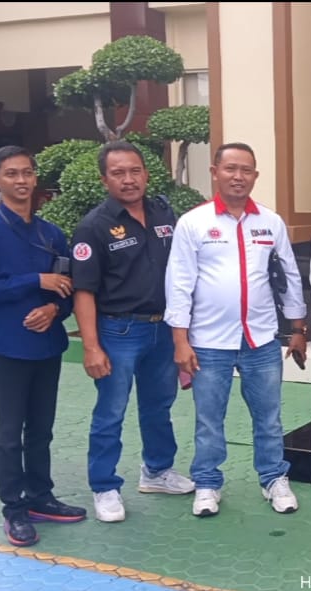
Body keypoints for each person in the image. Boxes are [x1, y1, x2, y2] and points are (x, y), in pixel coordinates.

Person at [165, 142, 307, 517]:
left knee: (269, 417)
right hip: (208, 341)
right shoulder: (193, 223)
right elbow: (179, 283)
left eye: (246, 170)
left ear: (255, 176)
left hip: (260, 339)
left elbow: (289, 275)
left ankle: (273, 478)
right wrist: (180, 340)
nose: (238, 176)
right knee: (209, 420)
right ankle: (207, 483)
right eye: (230, 169)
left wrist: (298, 328)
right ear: (215, 172)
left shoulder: (271, 223)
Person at [0, 146, 87, 547]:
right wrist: (34, 281)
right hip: (8, 347)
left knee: (41, 429)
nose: (22, 180)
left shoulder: (51, 233)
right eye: (12, 174)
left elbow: (68, 289)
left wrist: (54, 309)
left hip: (47, 346)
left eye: (28, 173)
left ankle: (40, 497)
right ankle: (14, 509)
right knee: (9, 433)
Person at [71, 141, 194, 523]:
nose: (128, 179)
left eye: (135, 171)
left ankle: (157, 471)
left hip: (163, 328)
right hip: (119, 331)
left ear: (146, 174)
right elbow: (84, 291)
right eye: (118, 173)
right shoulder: (93, 227)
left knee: (159, 405)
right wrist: (91, 347)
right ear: (104, 179)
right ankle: (104, 486)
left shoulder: (163, 212)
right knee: (111, 411)